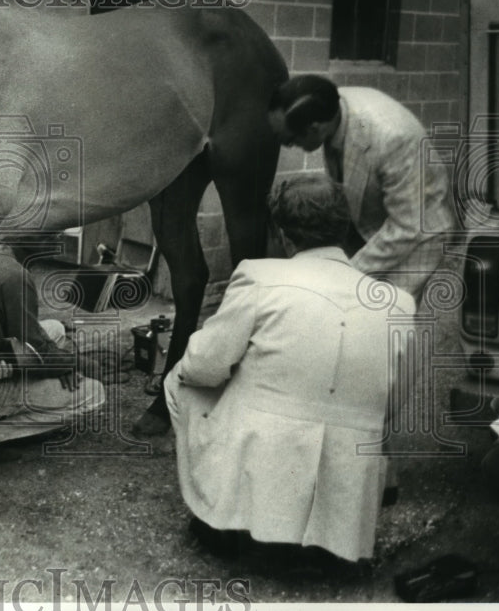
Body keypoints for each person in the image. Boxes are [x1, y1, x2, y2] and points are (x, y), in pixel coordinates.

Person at [164, 174, 415, 564]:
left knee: (182, 376)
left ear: (283, 234)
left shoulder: (259, 276)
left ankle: (225, 508)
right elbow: (391, 406)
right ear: (343, 230)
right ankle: (337, 519)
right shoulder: (398, 304)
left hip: (251, 521)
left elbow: (203, 367)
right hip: (343, 528)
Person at [267, 74, 456, 303]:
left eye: (289, 141)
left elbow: (408, 226)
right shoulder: (329, 106)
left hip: (419, 235)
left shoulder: (392, 138)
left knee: (385, 314)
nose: (290, 148)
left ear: (315, 129)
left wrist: (346, 274)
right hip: (376, 225)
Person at [0, 241, 106, 444]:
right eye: (51, 230)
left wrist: (57, 364)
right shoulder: (14, 275)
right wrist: (72, 364)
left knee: (55, 328)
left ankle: (38, 389)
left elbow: (23, 337)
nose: (57, 237)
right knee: (94, 392)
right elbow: (35, 348)